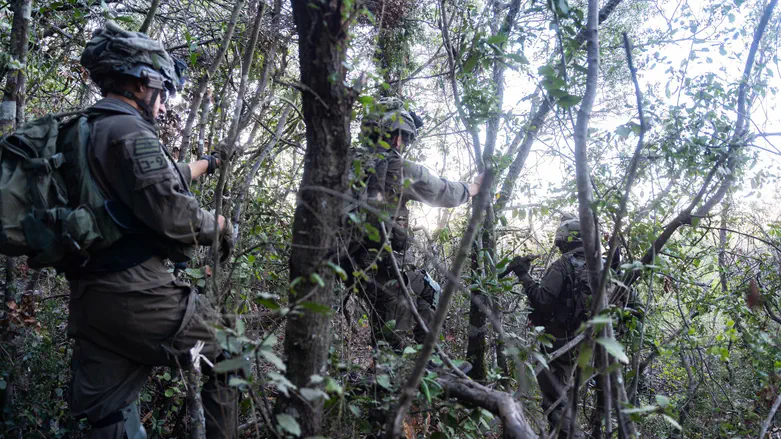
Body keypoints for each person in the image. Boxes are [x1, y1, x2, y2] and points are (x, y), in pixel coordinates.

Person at [65, 22, 236, 439]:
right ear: (144, 83)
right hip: (137, 295)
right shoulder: (130, 131)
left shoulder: (81, 130)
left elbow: (150, 181)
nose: (163, 106)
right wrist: (219, 226)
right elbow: (174, 214)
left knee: (108, 413)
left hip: (91, 298)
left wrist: (209, 162)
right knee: (229, 356)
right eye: (164, 92)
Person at [342, 97, 482, 352]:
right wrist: (473, 188)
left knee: (423, 295)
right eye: (404, 137)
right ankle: (394, 381)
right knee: (392, 331)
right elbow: (442, 191)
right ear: (397, 137)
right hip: (381, 264)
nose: (403, 144)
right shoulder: (396, 166)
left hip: (346, 261)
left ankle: (422, 365)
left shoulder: (347, 161)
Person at [500, 214, 591, 439]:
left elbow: (542, 301)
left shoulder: (563, 265)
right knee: (569, 400)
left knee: (556, 405)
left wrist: (523, 275)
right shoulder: (599, 265)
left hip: (559, 346)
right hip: (588, 346)